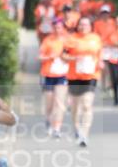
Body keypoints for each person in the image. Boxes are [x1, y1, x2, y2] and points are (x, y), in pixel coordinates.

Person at [64, 17, 102, 147]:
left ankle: (84, 134)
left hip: (91, 76)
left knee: (86, 105)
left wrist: (100, 62)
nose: (83, 26)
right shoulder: (71, 39)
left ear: (91, 26)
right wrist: (74, 58)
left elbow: (99, 54)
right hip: (74, 77)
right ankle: (77, 128)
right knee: (75, 107)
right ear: (78, 26)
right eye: (81, 24)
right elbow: (63, 55)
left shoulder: (96, 39)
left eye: (86, 24)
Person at [39, 18, 69, 138]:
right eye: (56, 27)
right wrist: (49, 57)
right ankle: (49, 121)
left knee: (60, 103)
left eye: (60, 27)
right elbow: (40, 56)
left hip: (62, 75)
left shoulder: (68, 41)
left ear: (63, 28)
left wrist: (65, 57)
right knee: (50, 103)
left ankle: (57, 127)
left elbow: (73, 56)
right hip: (49, 75)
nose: (58, 30)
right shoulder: (48, 40)